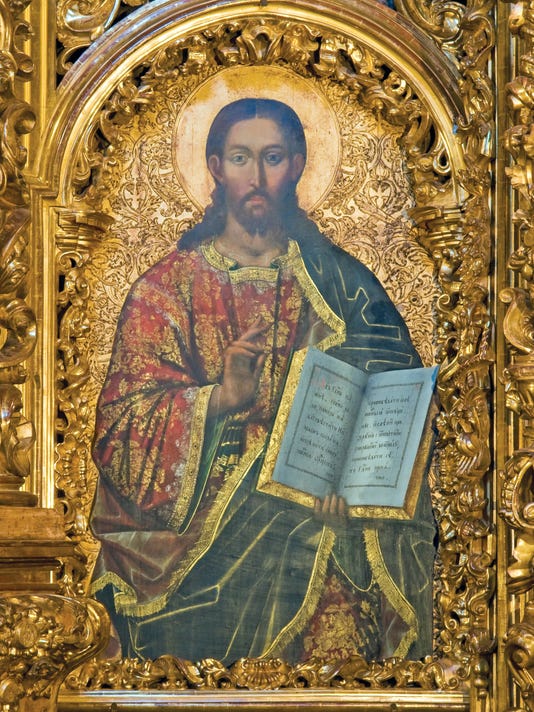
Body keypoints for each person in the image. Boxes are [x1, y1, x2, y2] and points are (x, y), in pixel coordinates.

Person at [90, 98, 437, 663]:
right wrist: (220, 400)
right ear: (215, 167)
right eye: (240, 158)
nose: (256, 177)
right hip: (199, 538)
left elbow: (401, 406)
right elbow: (121, 428)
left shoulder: (344, 286)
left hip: (323, 525)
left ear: (297, 165)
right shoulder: (166, 289)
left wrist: (354, 490)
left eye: (272, 158)